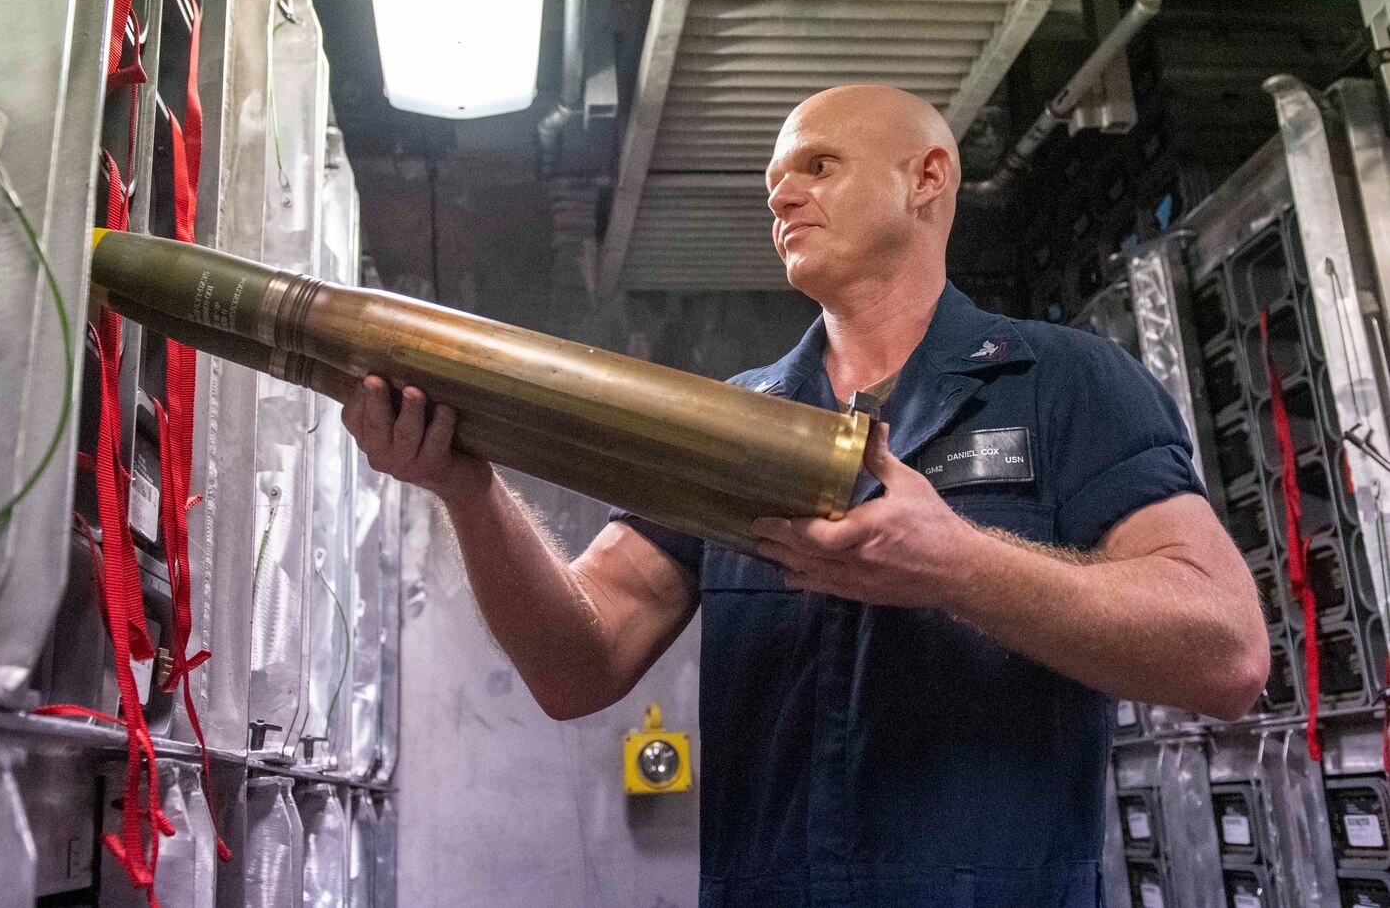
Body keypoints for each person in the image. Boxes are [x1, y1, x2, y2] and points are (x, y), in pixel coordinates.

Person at [342, 84, 1269, 907]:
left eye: (818, 166)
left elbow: (1227, 654)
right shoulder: (732, 422)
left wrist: (956, 564)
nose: (782, 196)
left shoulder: (1064, 381)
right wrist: (469, 489)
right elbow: (577, 661)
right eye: (775, 184)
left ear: (927, 178)